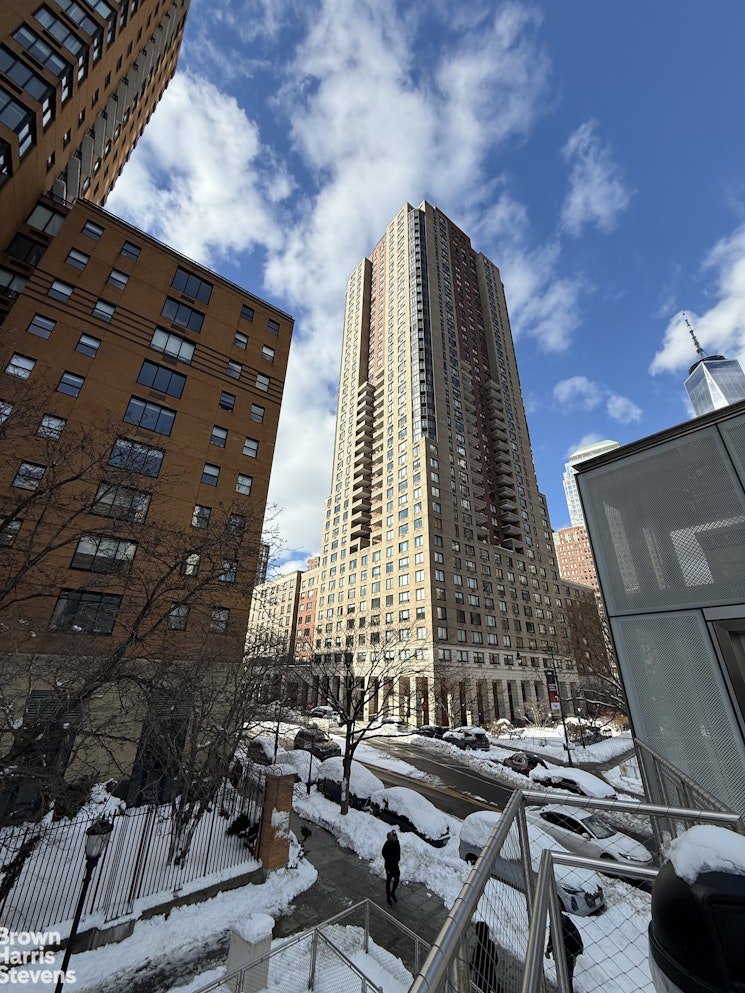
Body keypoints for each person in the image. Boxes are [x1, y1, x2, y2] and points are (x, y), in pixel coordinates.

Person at [546, 912, 584, 993]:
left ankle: (567, 989)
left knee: (567, 975)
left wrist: (549, 950)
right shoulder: (562, 919)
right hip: (572, 948)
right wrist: (549, 950)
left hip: (571, 949)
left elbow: (553, 937)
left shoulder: (558, 923)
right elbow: (552, 936)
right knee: (566, 974)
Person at [470, 920, 501, 993]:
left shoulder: (478, 947)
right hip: (491, 976)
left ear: (477, 933)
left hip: (481, 979)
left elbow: (475, 965)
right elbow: (496, 960)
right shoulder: (491, 944)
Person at [381, 829, 400, 905]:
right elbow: (384, 853)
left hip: (395, 865)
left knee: (397, 879)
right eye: (393, 836)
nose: (394, 837)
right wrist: (389, 861)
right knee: (388, 881)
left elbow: (398, 850)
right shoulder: (387, 844)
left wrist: (398, 858)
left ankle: (393, 892)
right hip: (389, 866)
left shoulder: (396, 842)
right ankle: (388, 897)